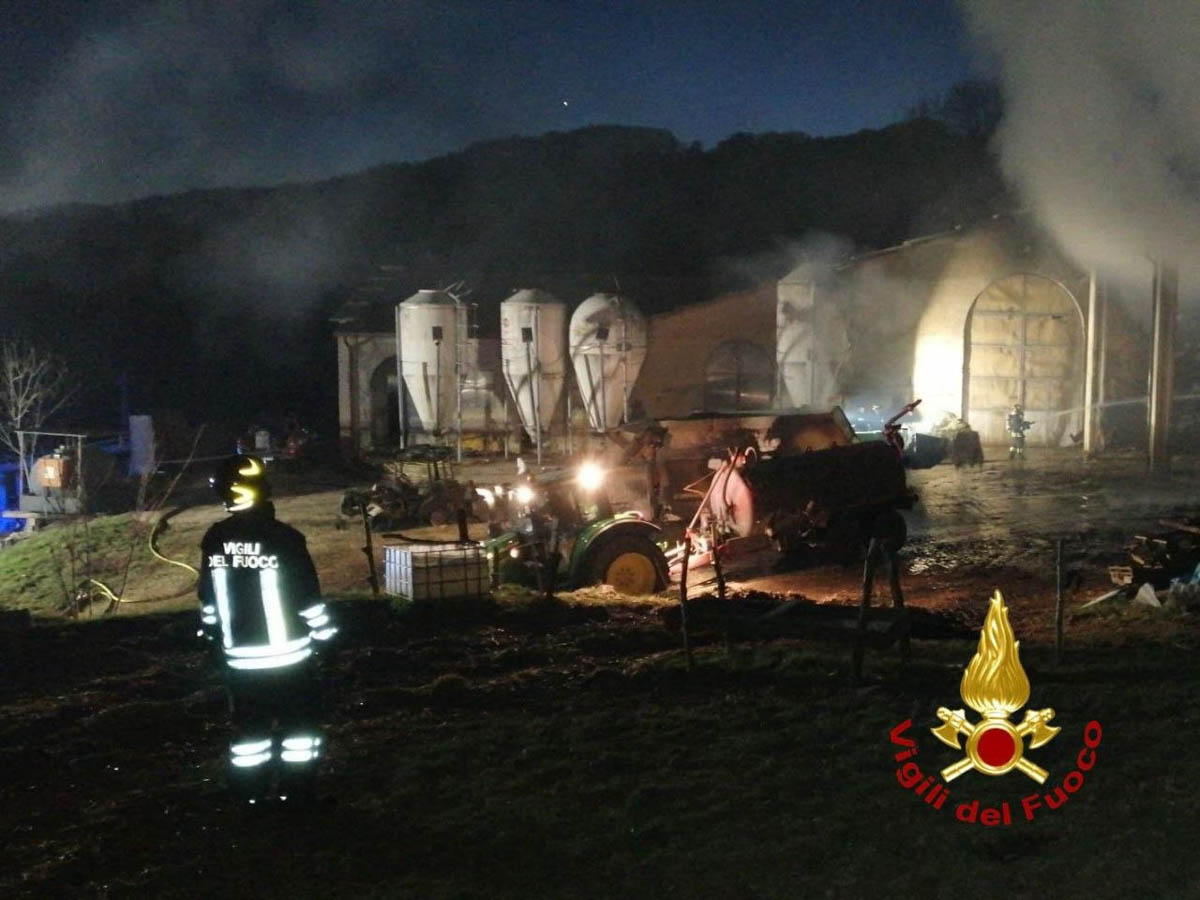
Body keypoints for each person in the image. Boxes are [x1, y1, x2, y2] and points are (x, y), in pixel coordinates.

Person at [197, 454, 336, 804]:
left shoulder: (215, 539)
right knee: (299, 731)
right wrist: (328, 641)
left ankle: (249, 795)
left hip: (240, 663)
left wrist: (213, 640)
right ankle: (298, 792)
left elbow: (208, 600)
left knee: (249, 733)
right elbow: (308, 599)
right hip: (290, 661)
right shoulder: (285, 539)